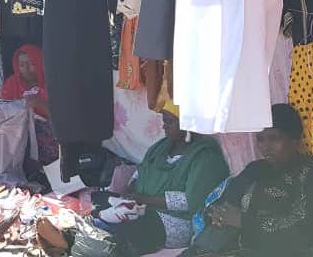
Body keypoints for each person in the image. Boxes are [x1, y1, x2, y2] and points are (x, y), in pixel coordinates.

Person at [199, 104, 313, 257]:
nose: (265, 147)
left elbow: (306, 231)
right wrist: (216, 214)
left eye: (274, 139)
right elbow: (224, 203)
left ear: (295, 140)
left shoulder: (310, 175)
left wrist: (245, 222)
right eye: (260, 139)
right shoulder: (255, 170)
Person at [93, 100, 229, 254]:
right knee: (97, 200)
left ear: (186, 124)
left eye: (169, 122)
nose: (164, 127)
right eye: (164, 122)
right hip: (143, 207)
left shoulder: (205, 157)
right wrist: (129, 197)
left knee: (130, 229)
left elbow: (191, 200)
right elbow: (142, 171)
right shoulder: (161, 148)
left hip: (177, 220)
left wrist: (143, 199)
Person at [0, 45, 58, 166]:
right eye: (22, 65)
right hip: (18, 134)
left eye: (31, 63)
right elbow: (2, 111)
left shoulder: (53, 82)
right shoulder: (12, 84)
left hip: (48, 137)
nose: (26, 68)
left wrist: (40, 104)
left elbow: (62, 117)